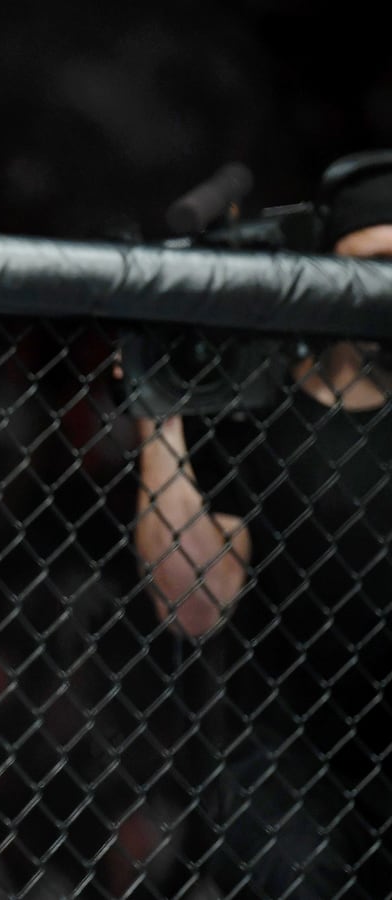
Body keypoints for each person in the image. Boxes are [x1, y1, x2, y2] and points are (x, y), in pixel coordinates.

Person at [132, 151, 392, 898]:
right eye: (372, 265)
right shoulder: (253, 410)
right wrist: (162, 411)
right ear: (327, 269)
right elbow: (192, 603)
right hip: (281, 745)